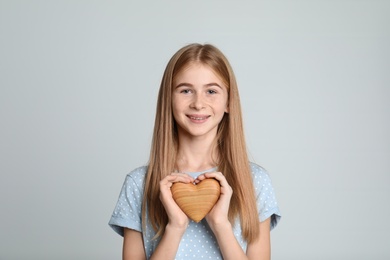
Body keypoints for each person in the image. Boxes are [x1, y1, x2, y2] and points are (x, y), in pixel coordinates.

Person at [108, 43, 281, 260]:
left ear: (229, 102)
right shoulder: (139, 184)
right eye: (186, 90)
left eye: (211, 91)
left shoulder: (255, 181)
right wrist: (175, 227)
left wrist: (220, 225)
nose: (198, 103)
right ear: (168, 99)